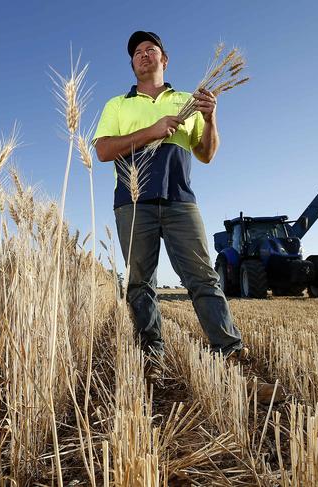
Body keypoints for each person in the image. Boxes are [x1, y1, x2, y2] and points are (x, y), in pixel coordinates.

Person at [93, 32, 284, 403]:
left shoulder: (187, 101)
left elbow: (206, 154)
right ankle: (152, 358)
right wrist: (152, 130)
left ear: (165, 59)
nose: (144, 55)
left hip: (181, 201)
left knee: (203, 279)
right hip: (132, 204)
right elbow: (102, 150)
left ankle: (231, 359)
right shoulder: (117, 104)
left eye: (151, 50)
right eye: (137, 52)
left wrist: (211, 119)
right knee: (139, 283)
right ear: (132, 64)